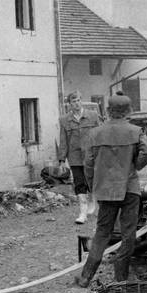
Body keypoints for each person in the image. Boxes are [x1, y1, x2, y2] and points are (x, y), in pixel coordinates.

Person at [74, 95, 147, 287]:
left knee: (102, 232)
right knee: (128, 234)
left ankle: (86, 277)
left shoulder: (95, 133)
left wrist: (95, 186)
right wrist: (135, 165)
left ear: (108, 111)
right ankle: (121, 278)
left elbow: (88, 165)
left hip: (106, 190)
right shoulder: (136, 131)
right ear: (129, 111)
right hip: (130, 189)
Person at [58, 91, 102, 224]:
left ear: (81, 101)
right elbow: (63, 140)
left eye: (78, 100)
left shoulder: (93, 116)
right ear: (69, 104)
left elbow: (100, 135)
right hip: (75, 157)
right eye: (73, 101)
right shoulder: (65, 120)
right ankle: (82, 212)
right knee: (79, 183)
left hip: (91, 156)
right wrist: (61, 160)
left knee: (93, 182)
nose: (76, 103)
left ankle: (93, 203)